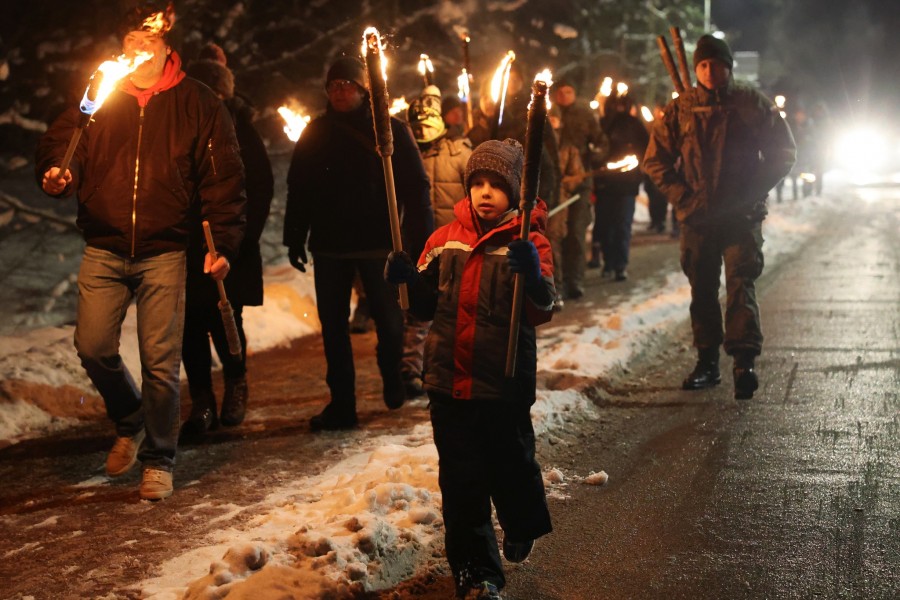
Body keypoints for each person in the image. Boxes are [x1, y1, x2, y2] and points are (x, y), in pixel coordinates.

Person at [35, 1, 246, 500]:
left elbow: (224, 180)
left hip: (165, 250)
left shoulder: (197, 102)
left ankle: (159, 457)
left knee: (160, 363)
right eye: (131, 40)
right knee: (93, 347)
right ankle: (129, 415)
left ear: (166, 43)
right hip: (104, 245)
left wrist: (223, 242)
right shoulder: (101, 94)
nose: (139, 48)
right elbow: (65, 142)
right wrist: (58, 173)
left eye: (148, 40)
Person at [385, 139, 555, 600]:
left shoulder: (530, 242)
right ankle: (476, 573)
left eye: (496, 185)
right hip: (449, 381)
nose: (484, 192)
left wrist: (532, 275)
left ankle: (521, 524)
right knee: (462, 484)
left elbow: (542, 308)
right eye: (477, 183)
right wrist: (405, 279)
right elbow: (423, 306)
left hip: (503, 381)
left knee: (511, 465)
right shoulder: (445, 240)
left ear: (516, 191)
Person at [283, 56, 433, 431]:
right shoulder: (316, 132)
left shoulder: (389, 130)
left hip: (378, 242)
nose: (339, 92)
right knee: (334, 328)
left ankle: (392, 373)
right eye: (333, 86)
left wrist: (420, 239)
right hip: (329, 245)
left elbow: (416, 187)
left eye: (347, 84)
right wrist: (294, 237)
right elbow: (299, 189)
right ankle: (343, 404)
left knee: (391, 321)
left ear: (364, 89)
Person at [643, 34, 796, 400]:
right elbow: (655, 160)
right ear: (697, 69)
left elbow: (783, 151)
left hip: (740, 217)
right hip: (697, 218)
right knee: (702, 289)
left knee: (740, 285)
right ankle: (707, 362)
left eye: (717, 64)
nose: (710, 71)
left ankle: (744, 363)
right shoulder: (681, 108)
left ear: (729, 67)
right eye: (703, 65)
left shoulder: (749, 103)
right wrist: (684, 199)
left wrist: (751, 193)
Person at [179, 48, 274, 436]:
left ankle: (236, 383)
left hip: (231, 245)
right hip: (187, 245)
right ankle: (201, 400)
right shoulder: (181, 126)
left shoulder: (240, 127)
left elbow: (260, 185)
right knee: (189, 325)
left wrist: (241, 237)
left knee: (226, 319)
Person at [401, 85, 471, 395]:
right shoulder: (404, 154)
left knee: (454, 309)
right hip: (418, 245)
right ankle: (410, 368)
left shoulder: (459, 154)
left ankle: (448, 369)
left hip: (453, 244)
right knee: (418, 309)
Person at [551, 77, 607, 297]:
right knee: (555, 235)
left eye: (568, 92)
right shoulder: (547, 114)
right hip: (555, 185)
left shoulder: (584, 115)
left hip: (580, 183)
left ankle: (574, 280)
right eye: (560, 92)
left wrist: (593, 158)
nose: (564, 96)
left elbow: (601, 142)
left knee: (576, 230)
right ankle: (556, 282)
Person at [593, 92, 649, 281]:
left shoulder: (635, 125)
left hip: (626, 185)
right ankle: (609, 262)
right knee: (606, 225)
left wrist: (639, 171)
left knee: (622, 225)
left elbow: (646, 149)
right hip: (606, 184)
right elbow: (595, 149)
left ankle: (620, 265)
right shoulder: (604, 124)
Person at [547, 104, 588, 311]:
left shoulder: (567, 147)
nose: (551, 122)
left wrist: (564, 183)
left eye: (554, 118)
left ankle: (556, 290)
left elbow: (577, 175)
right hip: (538, 201)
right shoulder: (534, 143)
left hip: (559, 201)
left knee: (553, 244)